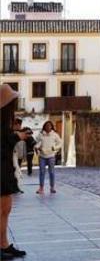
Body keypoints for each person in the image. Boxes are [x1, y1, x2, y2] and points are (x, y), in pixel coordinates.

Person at [1, 84, 27, 259]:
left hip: (5, 169)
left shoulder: (5, 121)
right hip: (0, 170)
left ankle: (4, 244)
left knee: (6, 209)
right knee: (1, 210)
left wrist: (16, 135)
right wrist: (16, 137)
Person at [34, 121, 62, 194]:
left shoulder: (55, 135)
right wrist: (37, 148)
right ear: (44, 127)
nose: (48, 127)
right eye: (46, 126)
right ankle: (41, 188)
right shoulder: (40, 135)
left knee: (52, 172)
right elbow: (36, 143)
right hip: (42, 156)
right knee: (42, 172)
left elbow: (60, 143)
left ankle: (52, 187)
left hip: (51, 156)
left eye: (49, 126)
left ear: (51, 127)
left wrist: (55, 148)